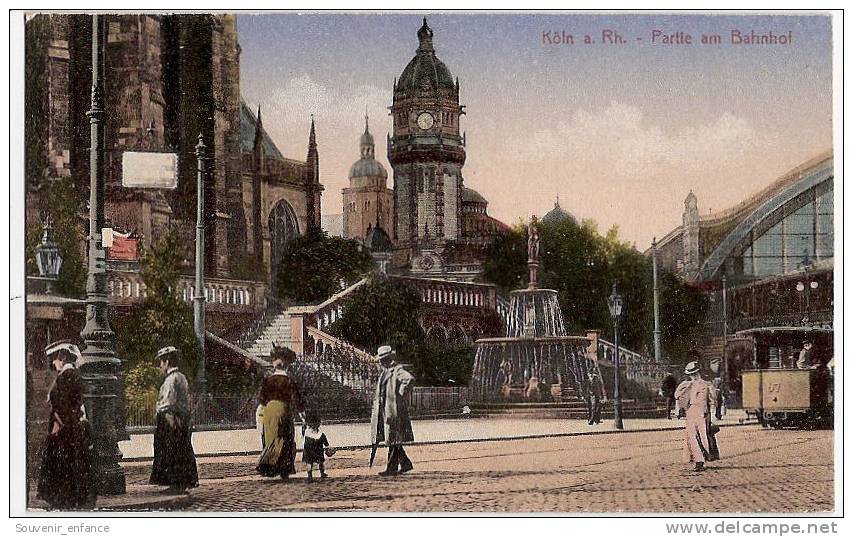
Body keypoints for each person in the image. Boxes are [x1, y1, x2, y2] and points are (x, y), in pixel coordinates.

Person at [36, 340, 96, 510]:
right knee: (70, 461)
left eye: (54, 360)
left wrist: (59, 424)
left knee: (63, 461)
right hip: (69, 425)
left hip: (64, 427)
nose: (53, 364)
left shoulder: (67, 376)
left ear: (61, 357)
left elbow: (63, 405)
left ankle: (64, 498)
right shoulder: (72, 375)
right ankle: (69, 497)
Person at [149, 346, 198, 493]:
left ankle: (175, 484)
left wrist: (171, 425)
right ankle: (180, 483)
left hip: (171, 420)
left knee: (171, 451)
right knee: (181, 451)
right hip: (181, 419)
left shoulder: (171, 379)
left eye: (161, 363)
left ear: (167, 361)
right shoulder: (181, 377)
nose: (160, 366)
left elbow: (168, 404)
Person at [256, 346, 303, 480]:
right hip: (284, 410)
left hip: (269, 411)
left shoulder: (268, 380)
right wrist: (302, 414)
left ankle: (269, 467)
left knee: (271, 438)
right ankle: (284, 469)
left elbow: (261, 399)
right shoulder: (289, 380)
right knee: (285, 438)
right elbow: (297, 399)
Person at [370, 345, 415, 477]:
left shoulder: (397, 370)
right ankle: (405, 464)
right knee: (392, 439)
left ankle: (392, 468)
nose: (380, 362)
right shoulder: (386, 372)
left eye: (382, 360)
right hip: (386, 410)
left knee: (393, 439)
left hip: (394, 411)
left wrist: (400, 395)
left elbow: (409, 379)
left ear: (387, 359)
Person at [674, 361, 719, 472]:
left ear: (699, 373)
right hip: (691, 411)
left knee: (703, 436)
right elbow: (677, 396)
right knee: (692, 437)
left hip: (703, 412)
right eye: (691, 374)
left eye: (695, 373)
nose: (693, 376)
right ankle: (698, 461)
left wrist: (713, 415)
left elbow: (713, 400)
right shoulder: (687, 385)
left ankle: (705, 457)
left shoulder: (707, 385)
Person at [302, 410, 336, 481]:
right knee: (321, 462)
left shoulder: (307, 433)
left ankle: (310, 476)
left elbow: (304, 434)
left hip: (308, 450)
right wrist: (328, 448)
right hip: (318, 450)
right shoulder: (321, 435)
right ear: (318, 424)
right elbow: (326, 444)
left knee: (309, 463)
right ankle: (322, 473)